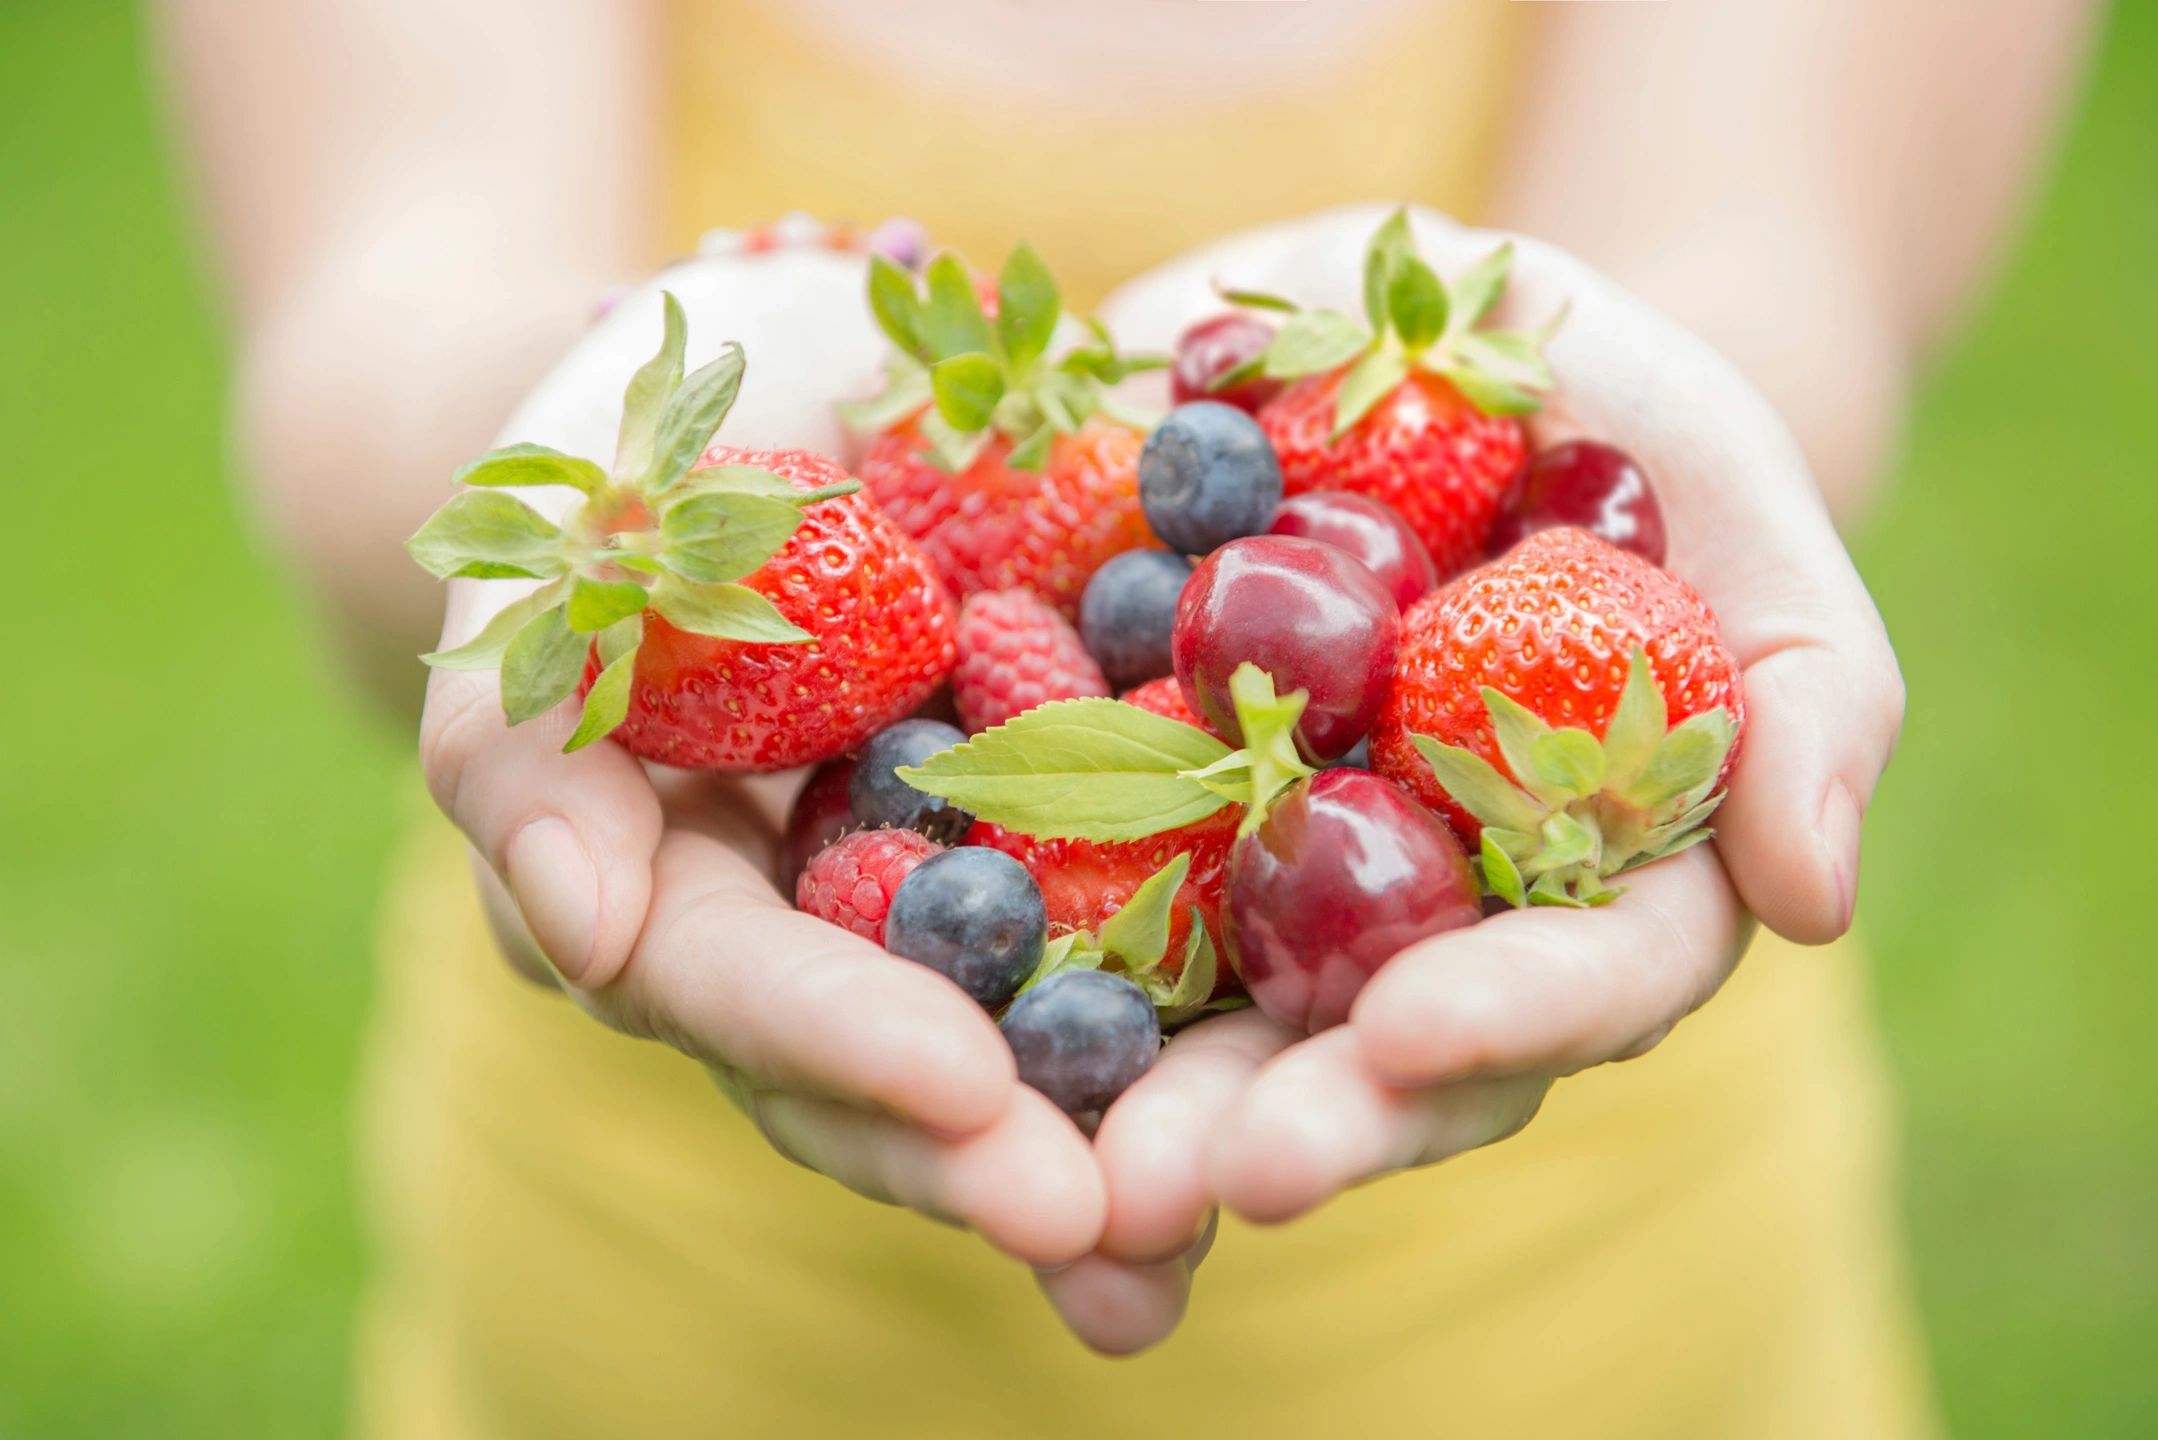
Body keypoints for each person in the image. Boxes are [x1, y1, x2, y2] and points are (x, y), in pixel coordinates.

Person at [157, 0, 2095, 1433]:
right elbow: (364, 335)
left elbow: (1776, 255)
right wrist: (589, 459)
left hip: (1602, 1323)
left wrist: (1631, 410)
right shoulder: (952, 654)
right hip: (654, 1315)